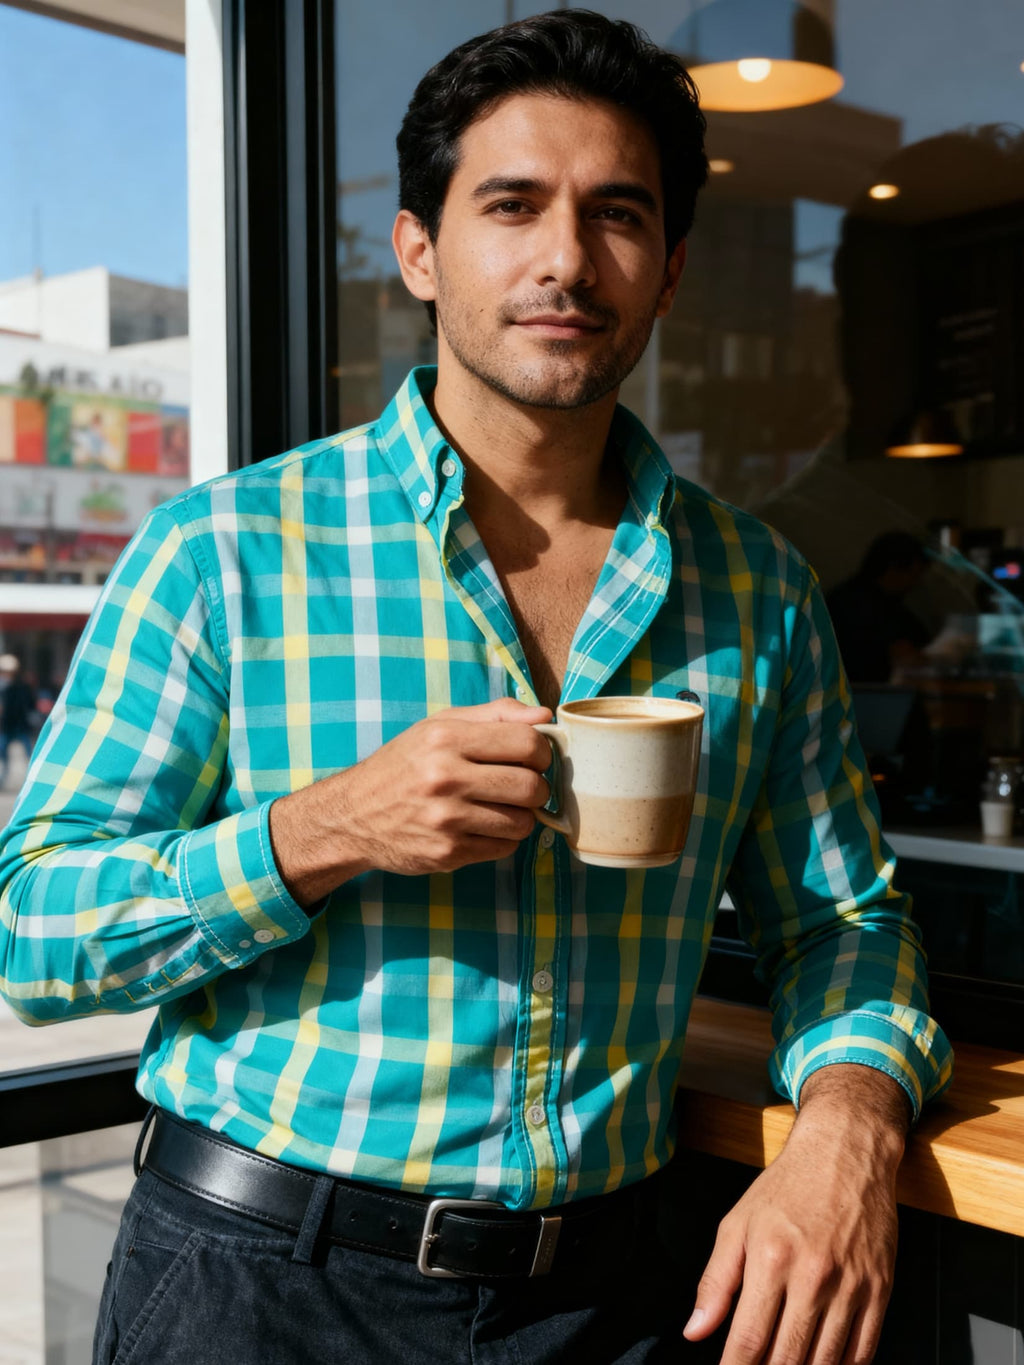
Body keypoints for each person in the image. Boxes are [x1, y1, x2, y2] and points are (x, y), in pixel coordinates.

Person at [0, 11, 951, 1363]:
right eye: (512, 204)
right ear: (420, 251)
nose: (568, 259)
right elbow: (33, 934)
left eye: (617, 215)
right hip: (260, 1289)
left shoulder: (757, 590)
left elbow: (842, 920)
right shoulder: (225, 552)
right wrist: (323, 831)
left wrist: (847, 1131)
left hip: (612, 1296)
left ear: (670, 268)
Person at [825, 532, 932, 683]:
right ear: (893, 568)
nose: (916, 583)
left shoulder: (887, 603)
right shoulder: (851, 604)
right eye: (914, 575)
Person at [0, 654, 37, 791]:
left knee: (30, 753)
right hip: (5, 727)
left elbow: (30, 704)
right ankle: (2, 779)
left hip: (20, 726)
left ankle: (33, 780)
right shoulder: (2, 688)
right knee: (2, 754)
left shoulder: (21, 687)